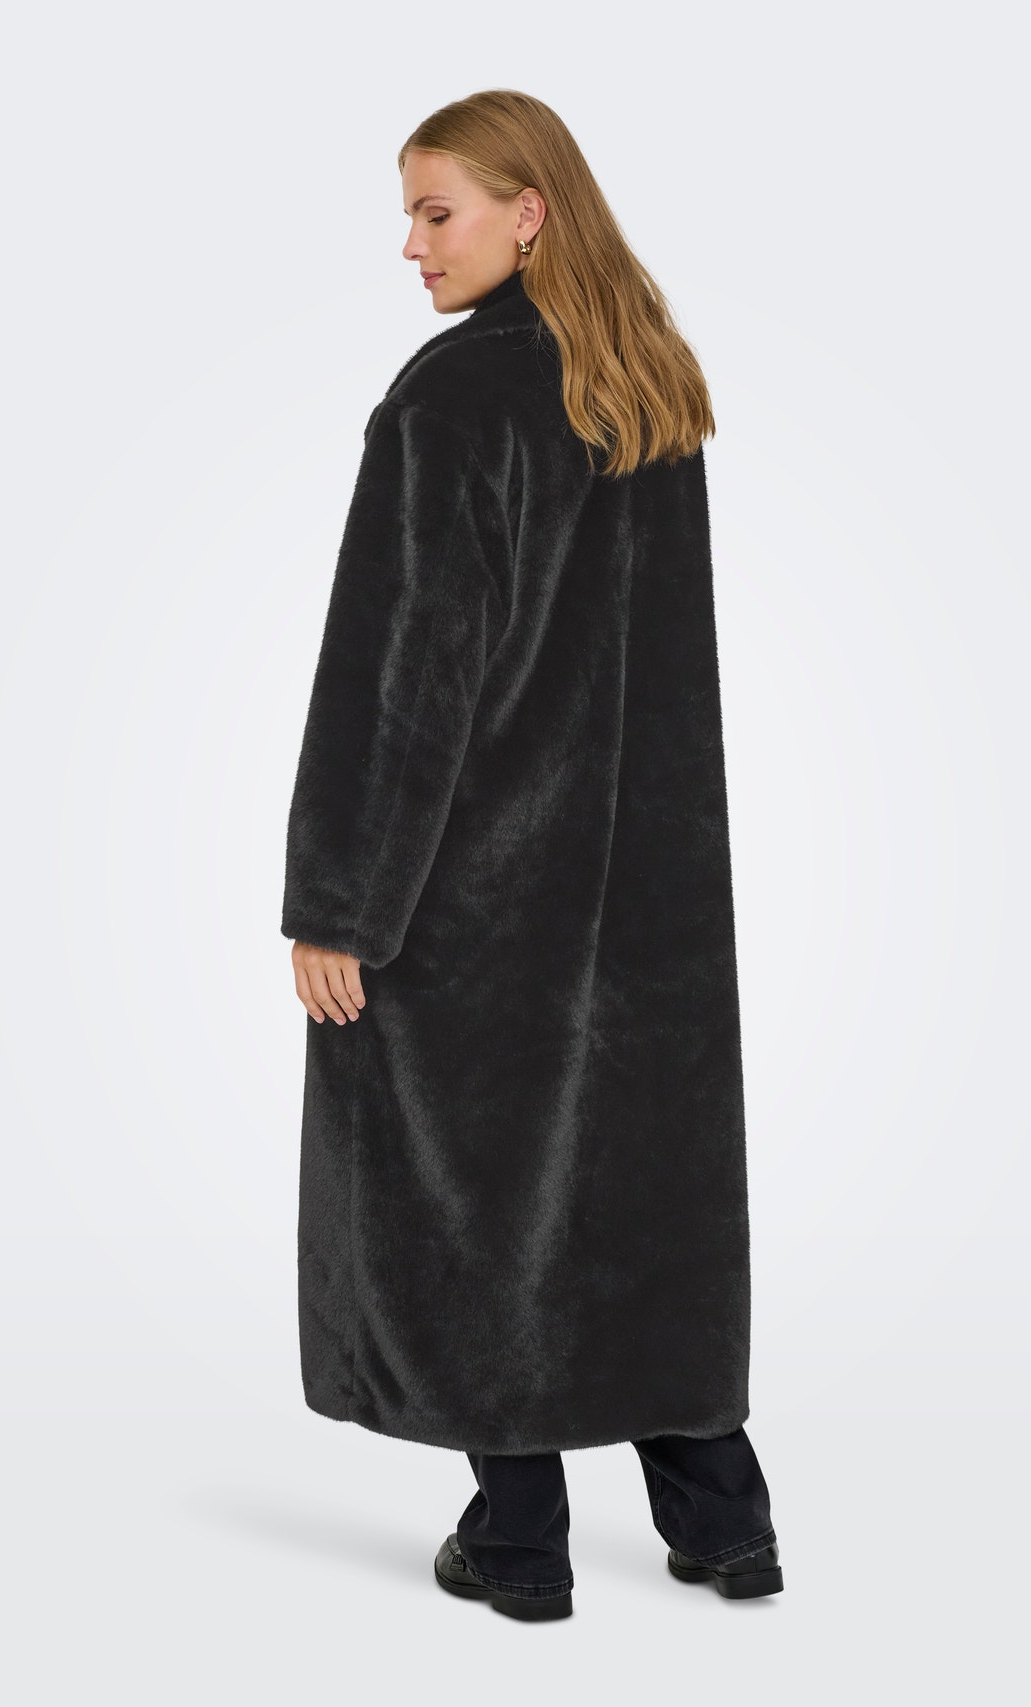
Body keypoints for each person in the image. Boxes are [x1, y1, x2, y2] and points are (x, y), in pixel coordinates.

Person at [281, 89, 783, 1622]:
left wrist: (340, 904)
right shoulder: (645, 385)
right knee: (642, 1198)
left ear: (529, 212)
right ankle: (725, 1523)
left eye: (436, 212)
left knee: (475, 1192)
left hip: (480, 889)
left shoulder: (455, 399)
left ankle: (516, 1538)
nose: (412, 246)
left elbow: (403, 677)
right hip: (650, 895)